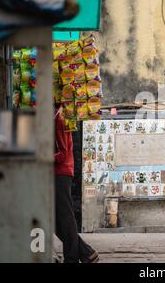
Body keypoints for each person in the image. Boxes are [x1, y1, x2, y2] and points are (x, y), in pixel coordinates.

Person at [54, 104, 99, 263]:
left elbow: (63, 152)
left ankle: (72, 257)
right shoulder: (58, 116)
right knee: (55, 220)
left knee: (65, 217)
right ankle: (86, 252)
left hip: (60, 173)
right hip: (58, 172)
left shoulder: (59, 118)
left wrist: (43, 156)